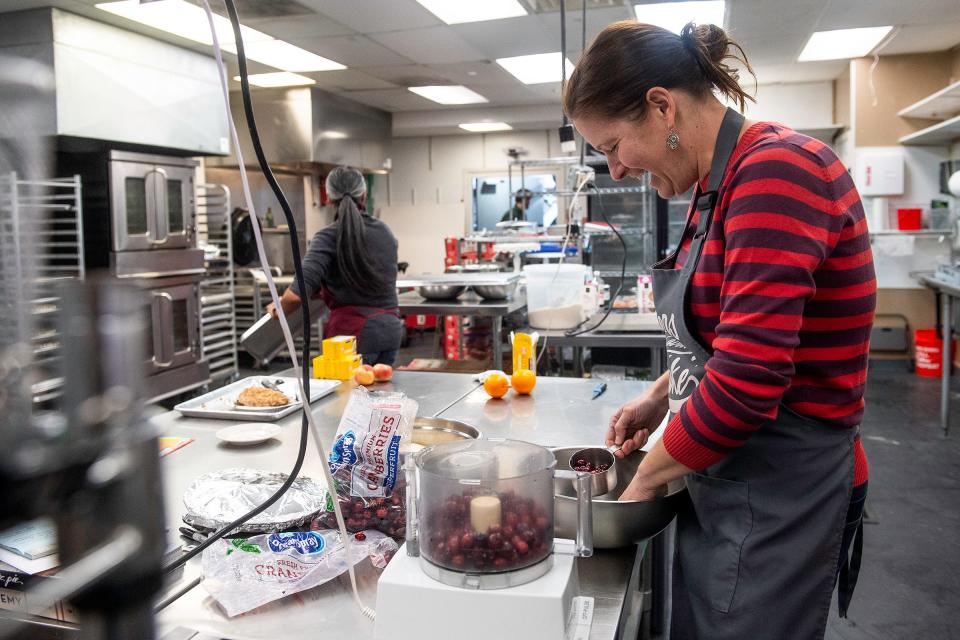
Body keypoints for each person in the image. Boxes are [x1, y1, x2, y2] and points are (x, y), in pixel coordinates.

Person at [564, 20, 873, 639]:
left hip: (780, 482)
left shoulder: (777, 172)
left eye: (613, 144)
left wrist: (640, 485)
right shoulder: (717, 187)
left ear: (661, 106)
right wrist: (662, 395)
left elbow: (750, 379)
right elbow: (735, 333)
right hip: (730, 470)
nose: (616, 170)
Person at [268, 166, 402, 366]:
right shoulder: (385, 232)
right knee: (380, 394)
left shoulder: (327, 236)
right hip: (390, 331)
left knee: (347, 397)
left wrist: (279, 309)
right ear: (363, 195)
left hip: (351, 337)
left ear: (329, 197)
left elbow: (295, 295)